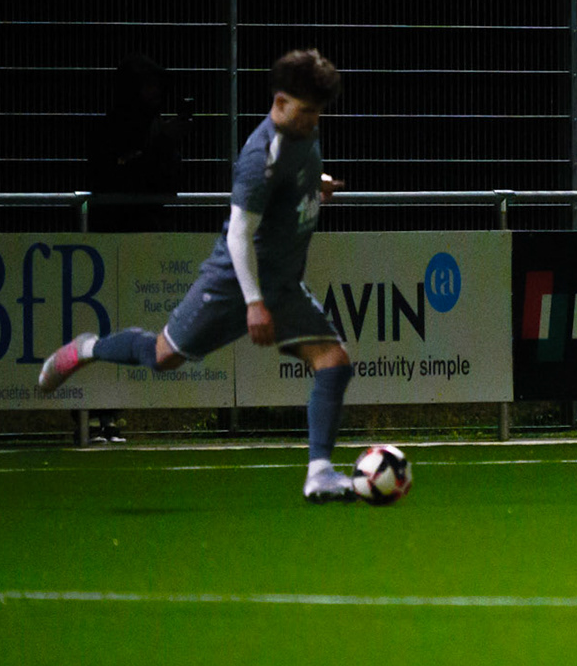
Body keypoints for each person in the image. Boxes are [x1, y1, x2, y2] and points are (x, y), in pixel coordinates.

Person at [40, 50, 357, 502]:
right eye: (306, 111)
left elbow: (294, 177)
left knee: (334, 362)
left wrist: (314, 184)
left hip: (282, 285)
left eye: (318, 112)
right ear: (280, 102)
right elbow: (239, 237)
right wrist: (252, 303)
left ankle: (320, 473)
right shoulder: (259, 156)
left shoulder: (303, 133)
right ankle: (89, 347)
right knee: (162, 356)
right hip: (231, 285)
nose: (313, 120)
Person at [82, 55, 191, 443]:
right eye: (148, 86)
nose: (155, 94)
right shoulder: (111, 128)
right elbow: (107, 175)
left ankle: (112, 413)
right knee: (104, 325)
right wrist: (152, 151)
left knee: (140, 328)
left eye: (157, 87)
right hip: (111, 239)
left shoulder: (158, 129)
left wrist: (166, 147)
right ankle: (96, 414)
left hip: (148, 238)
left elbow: (168, 185)